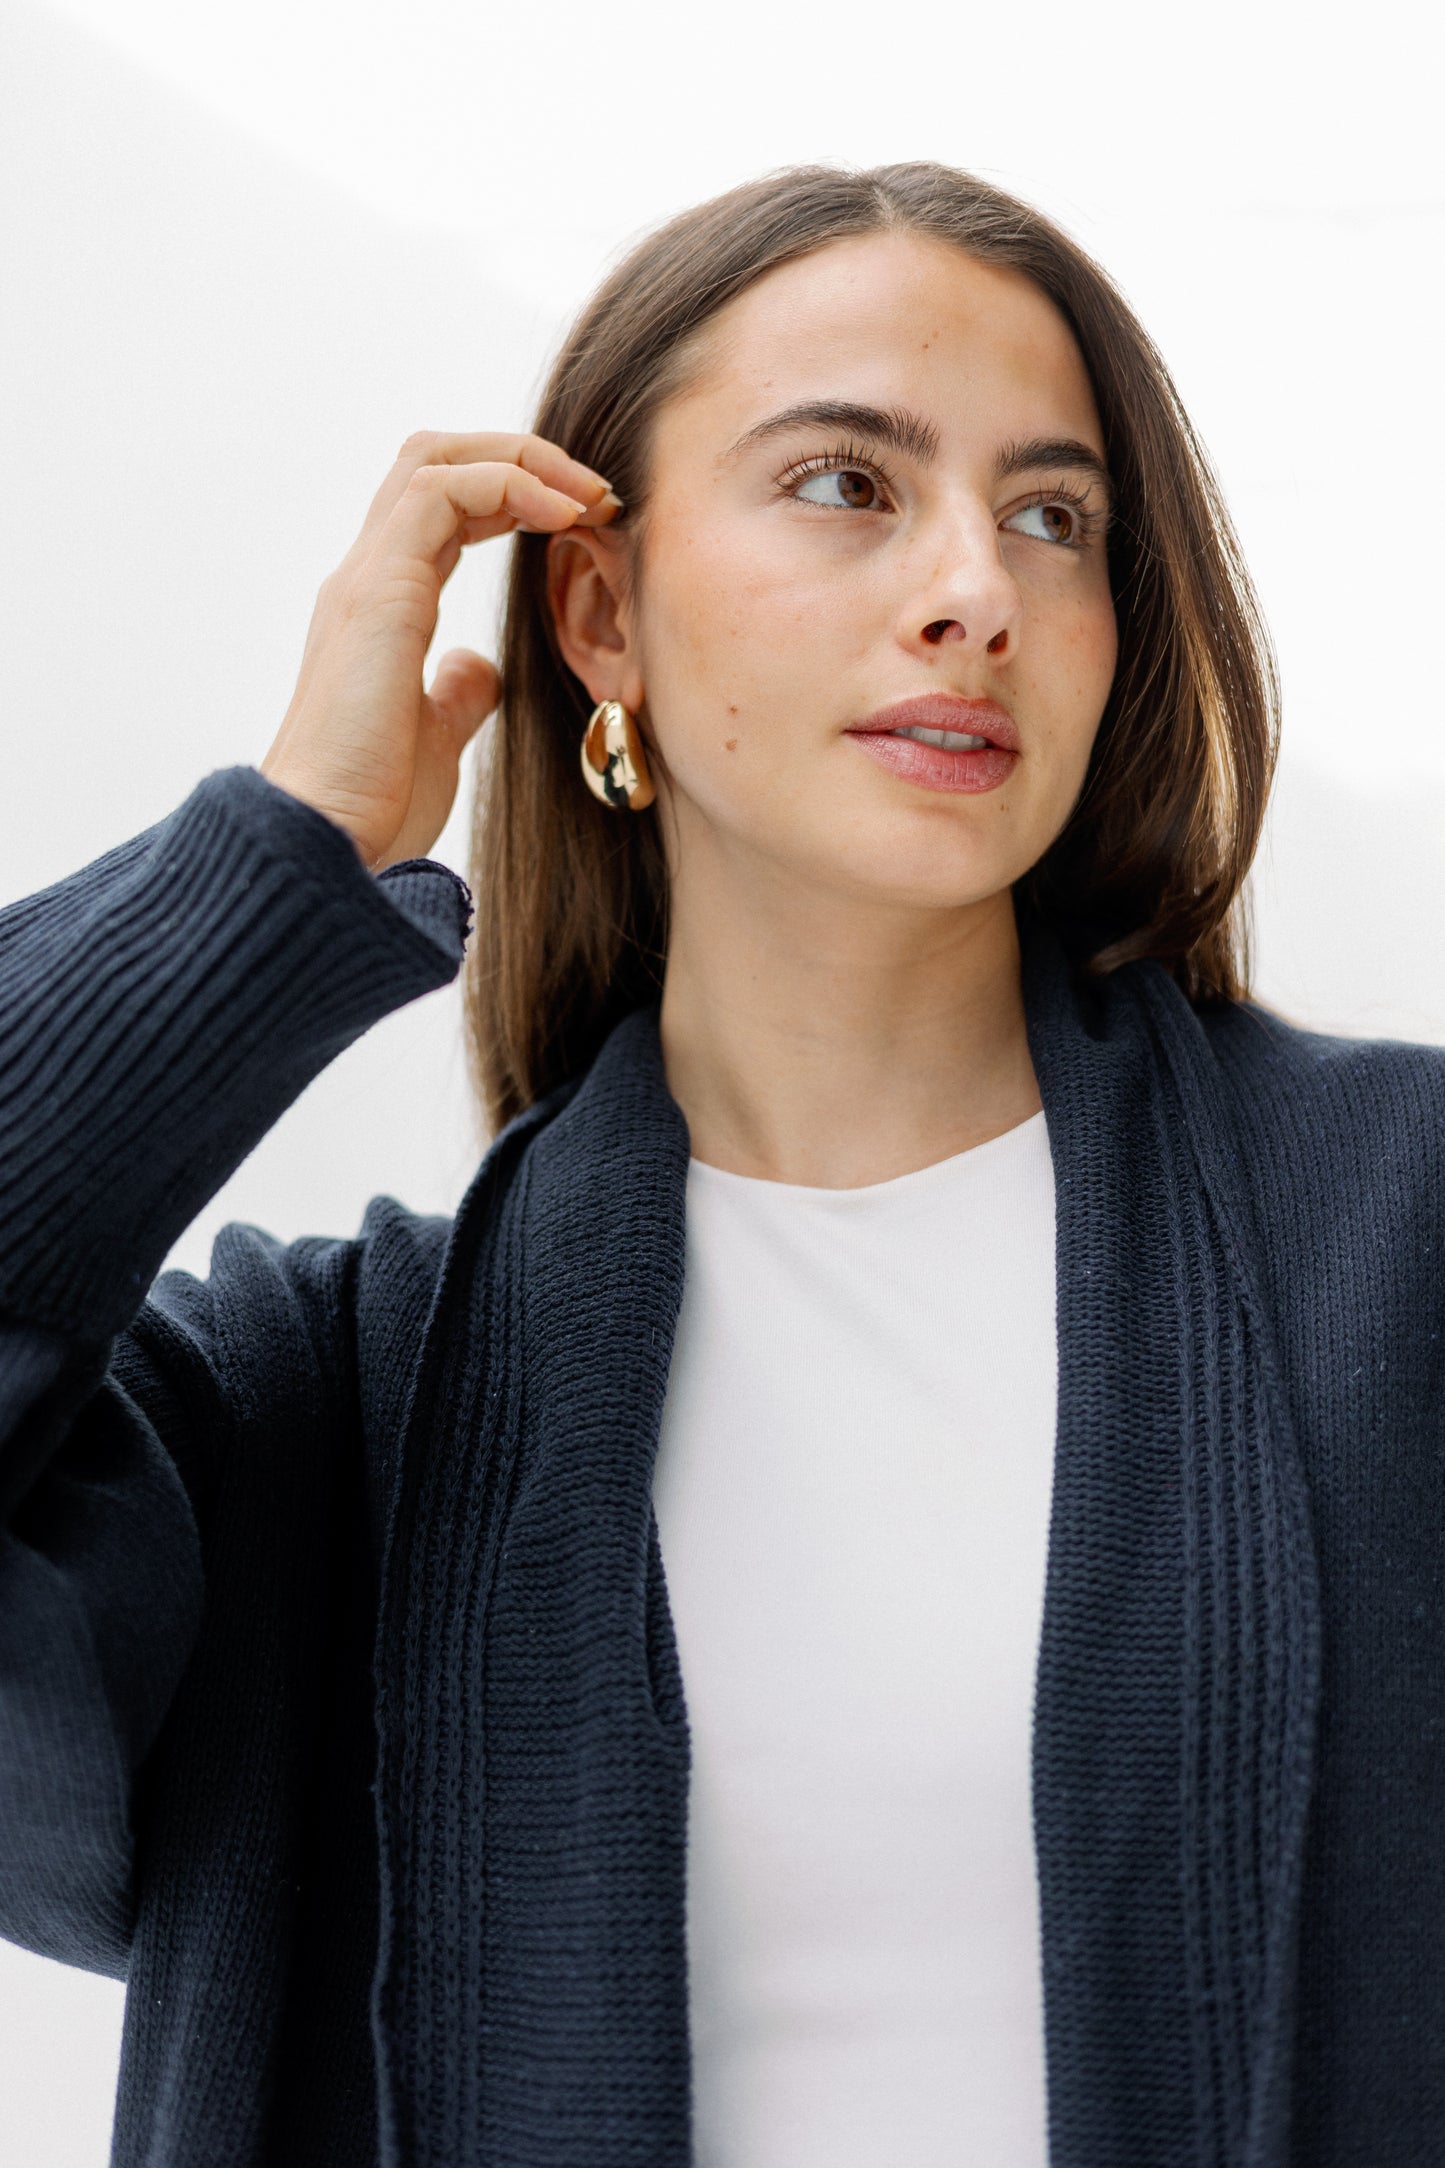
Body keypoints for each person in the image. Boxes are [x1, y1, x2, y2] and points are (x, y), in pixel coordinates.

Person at [1, 160, 1440, 2168]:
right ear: (600, 610)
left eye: (1053, 514)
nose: (979, 590)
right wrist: (280, 861)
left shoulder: (1404, 1237)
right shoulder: (316, 1416)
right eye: (849, 483)